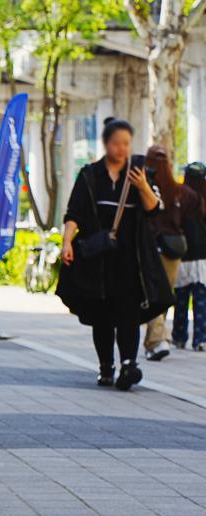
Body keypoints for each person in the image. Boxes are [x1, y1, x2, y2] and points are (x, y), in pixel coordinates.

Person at [57, 117, 170, 390]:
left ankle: (129, 364)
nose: (122, 149)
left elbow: (155, 209)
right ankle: (106, 367)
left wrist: (142, 185)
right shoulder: (89, 175)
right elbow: (74, 214)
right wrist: (67, 242)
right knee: (102, 315)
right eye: (117, 143)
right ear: (106, 143)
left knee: (128, 312)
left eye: (126, 143)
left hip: (131, 259)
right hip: (98, 260)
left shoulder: (140, 173)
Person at [142, 145, 202, 361]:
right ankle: (155, 341)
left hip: (152, 248)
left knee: (156, 295)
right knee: (164, 295)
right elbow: (194, 211)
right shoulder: (179, 192)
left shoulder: (146, 187)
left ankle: (157, 340)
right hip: (173, 249)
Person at [174, 162, 206, 351]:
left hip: (182, 254)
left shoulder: (179, 196)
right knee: (201, 299)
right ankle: (200, 339)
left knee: (181, 299)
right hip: (203, 256)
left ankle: (179, 336)